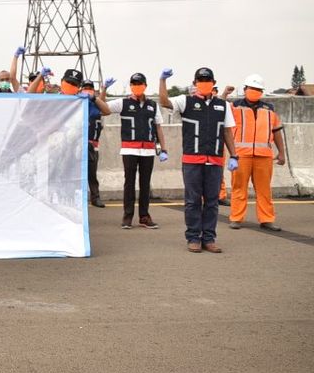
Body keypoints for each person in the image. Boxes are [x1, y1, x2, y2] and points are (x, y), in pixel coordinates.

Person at [159, 67, 238, 253]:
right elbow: (164, 101)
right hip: (192, 160)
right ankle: (193, 237)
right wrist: (162, 81)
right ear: (195, 83)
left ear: (213, 83)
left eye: (208, 80)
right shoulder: (185, 101)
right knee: (193, 201)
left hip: (215, 161)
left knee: (212, 201)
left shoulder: (222, 105)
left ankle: (209, 238)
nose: (204, 83)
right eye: (200, 80)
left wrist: (234, 155)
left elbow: (227, 131)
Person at [104, 73, 166, 229]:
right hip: (129, 149)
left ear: (145, 85)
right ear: (131, 86)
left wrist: (163, 149)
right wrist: (104, 89)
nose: (136, 86)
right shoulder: (122, 103)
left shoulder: (153, 105)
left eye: (139, 83)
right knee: (129, 183)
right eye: (134, 84)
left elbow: (158, 127)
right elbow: (103, 107)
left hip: (148, 150)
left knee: (145, 184)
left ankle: (144, 216)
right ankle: (127, 216)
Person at [228, 74, 286, 232]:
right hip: (241, 155)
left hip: (264, 156)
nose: (255, 91)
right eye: (252, 88)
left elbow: (277, 132)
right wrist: (225, 94)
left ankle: (267, 219)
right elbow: (219, 109)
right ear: (245, 89)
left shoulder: (269, 109)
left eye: (258, 89)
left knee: (264, 190)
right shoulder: (234, 106)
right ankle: (236, 218)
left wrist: (281, 153)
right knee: (239, 188)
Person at [62, 70, 111, 208]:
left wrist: (95, 97)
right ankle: (69, 198)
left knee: (91, 173)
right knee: (70, 172)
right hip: (72, 144)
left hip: (90, 144)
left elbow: (106, 110)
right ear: (80, 89)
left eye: (90, 88)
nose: (87, 91)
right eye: (85, 88)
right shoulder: (72, 101)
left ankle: (95, 198)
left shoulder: (91, 104)